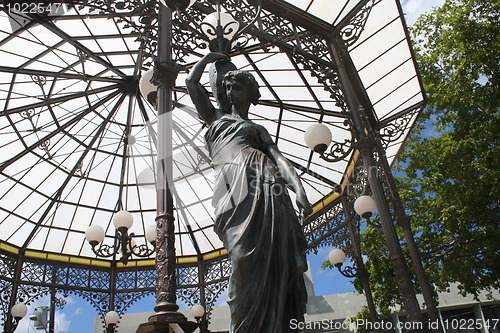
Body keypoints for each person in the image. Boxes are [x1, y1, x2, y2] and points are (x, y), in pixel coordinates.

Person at [186, 52, 312, 333]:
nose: (230, 92)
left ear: (250, 93)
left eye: (237, 87)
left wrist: (299, 189)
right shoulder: (216, 119)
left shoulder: (257, 129)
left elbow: (279, 159)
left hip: (268, 187)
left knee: (277, 259)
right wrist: (207, 58)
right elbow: (192, 85)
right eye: (227, 87)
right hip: (232, 189)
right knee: (242, 257)